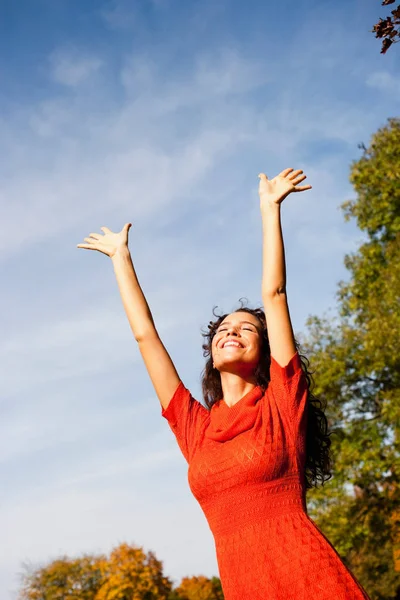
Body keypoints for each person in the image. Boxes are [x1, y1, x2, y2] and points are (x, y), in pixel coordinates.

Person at [77, 168, 371, 599]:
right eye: (222, 329)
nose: (231, 331)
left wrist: (270, 209)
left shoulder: (283, 405)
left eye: (246, 329)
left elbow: (275, 296)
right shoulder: (197, 430)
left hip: (308, 578)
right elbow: (146, 338)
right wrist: (121, 259)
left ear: (264, 351)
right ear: (211, 353)